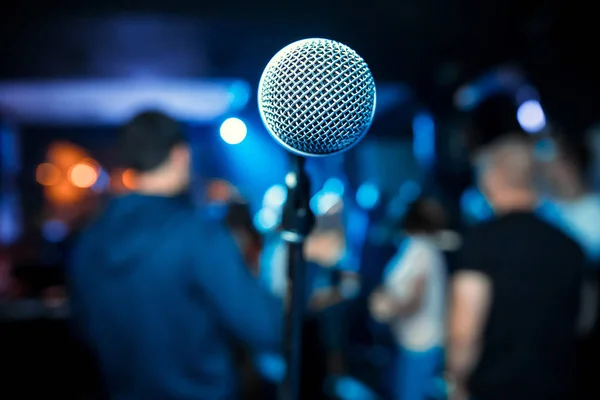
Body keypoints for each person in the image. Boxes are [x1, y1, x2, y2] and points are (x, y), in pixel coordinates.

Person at [67, 111, 283, 400]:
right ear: (181, 154)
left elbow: (82, 333)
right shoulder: (197, 234)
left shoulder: (88, 240)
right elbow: (265, 327)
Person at [448, 135, 585, 400]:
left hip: (494, 389)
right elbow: (582, 321)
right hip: (560, 387)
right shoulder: (571, 246)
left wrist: (456, 383)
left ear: (492, 178)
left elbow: (464, 333)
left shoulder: (480, 242)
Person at [368, 196, 447, 400]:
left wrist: (385, 308)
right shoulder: (413, 247)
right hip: (409, 340)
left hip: (421, 342)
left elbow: (414, 299)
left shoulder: (422, 250)